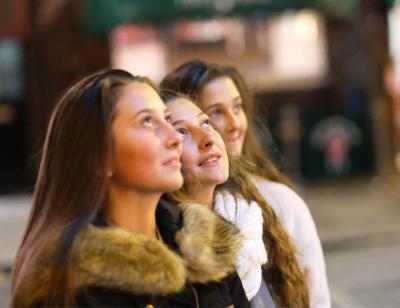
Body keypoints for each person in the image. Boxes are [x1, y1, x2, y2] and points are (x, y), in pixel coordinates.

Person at [10, 69, 249, 308]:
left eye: (166, 119)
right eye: (147, 121)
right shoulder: (73, 282)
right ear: (100, 156)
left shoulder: (202, 243)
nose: (174, 137)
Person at [160, 60, 331, 308]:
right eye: (216, 112)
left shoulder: (273, 203)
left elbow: (315, 298)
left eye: (237, 108)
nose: (233, 123)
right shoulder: (166, 227)